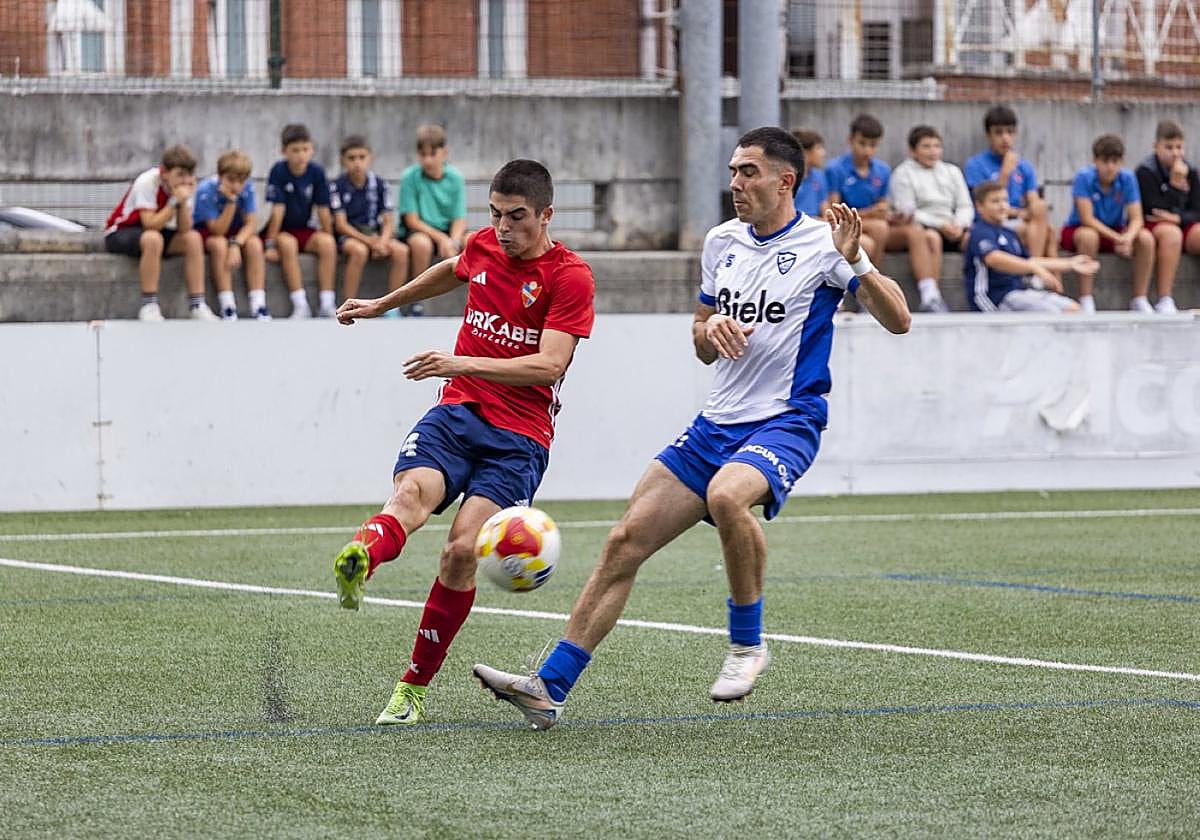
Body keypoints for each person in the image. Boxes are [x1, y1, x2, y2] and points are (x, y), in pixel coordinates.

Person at [473, 127, 911, 731]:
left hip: (787, 418)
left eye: (749, 172)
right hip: (715, 425)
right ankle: (550, 688)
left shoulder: (822, 245)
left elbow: (900, 320)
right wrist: (712, 333)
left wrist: (857, 258)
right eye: (733, 171)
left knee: (728, 495)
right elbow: (700, 335)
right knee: (625, 541)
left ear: (786, 181)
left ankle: (747, 644)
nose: (735, 183)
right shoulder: (722, 242)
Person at [330, 159, 596, 727]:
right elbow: (453, 268)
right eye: (496, 215)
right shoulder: (484, 245)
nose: (503, 228)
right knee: (408, 499)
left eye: (517, 217)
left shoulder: (570, 276)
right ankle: (361, 560)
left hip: (519, 437)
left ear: (546, 215)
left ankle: (412, 688)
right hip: (455, 413)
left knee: (459, 551)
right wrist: (382, 304)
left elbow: (550, 364)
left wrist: (458, 360)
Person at [103, 144, 215, 322]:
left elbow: (185, 229)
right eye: (180, 175)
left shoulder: (187, 188)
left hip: (159, 232)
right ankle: (149, 304)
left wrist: (183, 204)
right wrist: (174, 202)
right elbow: (150, 224)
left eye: (189, 175)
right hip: (123, 231)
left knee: (193, 239)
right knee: (153, 239)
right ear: (164, 172)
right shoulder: (147, 182)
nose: (185, 181)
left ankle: (197, 304)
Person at [966, 181, 1096, 313]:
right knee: (1051, 313)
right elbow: (993, 259)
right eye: (995, 201)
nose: (1002, 205)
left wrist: (1070, 263)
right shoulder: (980, 231)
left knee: (1073, 310)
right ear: (979, 206)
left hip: (1018, 292)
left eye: (1005, 200)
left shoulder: (1009, 233)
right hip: (995, 297)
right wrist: (1034, 268)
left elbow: (1030, 261)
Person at [1060, 134, 1155, 313]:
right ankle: (1086, 298)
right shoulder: (1084, 177)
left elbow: (1137, 218)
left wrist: (1128, 237)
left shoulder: (1127, 178)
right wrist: (1118, 238)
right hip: (1080, 229)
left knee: (1146, 238)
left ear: (1121, 162)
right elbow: (1087, 218)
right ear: (1095, 161)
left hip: (1114, 230)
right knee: (1089, 236)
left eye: (1115, 161)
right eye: (1105, 161)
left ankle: (1139, 298)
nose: (1110, 167)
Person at [887, 125, 973, 313]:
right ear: (913, 150)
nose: (933, 151)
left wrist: (959, 224)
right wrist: (939, 225)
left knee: (973, 240)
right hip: (926, 228)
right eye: (926, 146)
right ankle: (931, 297)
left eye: (936, 146)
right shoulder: (903, 173)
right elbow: (906, 208)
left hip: (954, 227)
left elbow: (965, 205)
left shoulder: (952, 171)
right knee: (931, 238)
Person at [262, 123, 338, 318]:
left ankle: (327, 303)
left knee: (327, 243)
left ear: (311, 150)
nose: (301, 155)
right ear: (284, 151)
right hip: (283, 230)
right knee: (287, 245)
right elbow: (278, 211)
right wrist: (270, 244)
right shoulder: (278, 171)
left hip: (304, 229)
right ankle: (300, 303)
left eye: (305, 149)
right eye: (295, 150)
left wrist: (330, 235)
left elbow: (322, 209)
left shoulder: (316, 172)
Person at [964, 105, 1057, 262]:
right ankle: (1034, 272)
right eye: (999, 133)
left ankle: (1045, 279)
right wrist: (1005, 173)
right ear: (988, 135)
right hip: (992, 221)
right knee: (1044, 233)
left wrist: (1026, 213)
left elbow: (1034, 204)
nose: (1005, 138)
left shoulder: (1024, 165)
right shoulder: (975, 164)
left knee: (1048, 227)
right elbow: (985, 205)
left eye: (1010, 132)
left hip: (1020, 219)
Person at [329, 135, 410, 304]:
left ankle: (393, 306)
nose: (357, 163)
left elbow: (388, 220)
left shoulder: (380, 184)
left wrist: (383, 241)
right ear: (343, 160)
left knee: (401, 251)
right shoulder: (337, 186)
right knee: (359, 251)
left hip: (375, 233)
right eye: (351, 158)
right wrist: (369, 242)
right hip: (350, 236)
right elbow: (341, 225)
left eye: (362, 157)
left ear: (370, 158)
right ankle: (349, 304)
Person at [192, 149, 271, 321]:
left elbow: (251, 223)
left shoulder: (247, 187)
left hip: (234, 232)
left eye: (241, 181)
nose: (236, 186)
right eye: (231, 180)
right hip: (209, 230)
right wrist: (231, 202)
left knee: (254, 244)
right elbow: (217, 230)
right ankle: (227, 304)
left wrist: (235, 244)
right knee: (219, 245)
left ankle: (258, 303)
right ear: (220, 176)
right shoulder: (206, 190)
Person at [397, 124, 468, 314]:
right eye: (422, 154)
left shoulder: (456, 178)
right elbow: (412, 220)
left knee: (472, 241)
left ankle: (477, 301)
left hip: (447, 232)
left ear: (444, 152)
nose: (427, 160)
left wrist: (452, 240)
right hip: (420, 231)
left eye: (432, 154)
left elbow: (459, 218)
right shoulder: (409, 177)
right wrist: (442, 239)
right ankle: (417, 301)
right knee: (422, 244)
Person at [1134, 119, 1200, 314]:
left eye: (1179, 147)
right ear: (1156, 147)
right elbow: (1154, 209)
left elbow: (1197, 210)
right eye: (1169, 147)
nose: (1175, 153)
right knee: (1171, 234)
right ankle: (1165, 297)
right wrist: (1174, 185)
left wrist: (1178, 218)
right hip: (1154, 225)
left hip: (1180, 221)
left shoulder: (1191, 171)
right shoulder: (1146, 171)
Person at [825, 114, 893, 264]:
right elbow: (834, 213)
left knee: (912, 231)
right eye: (862, 143)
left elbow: (882, 206)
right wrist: (870, 213)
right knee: (878, 231)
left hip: (870, 225)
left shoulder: (883, 170)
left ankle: (871, 278)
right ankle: (871, 278)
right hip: (844, 226)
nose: (867, 151)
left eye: (873, 145)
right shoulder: (835, 169)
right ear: (850, 140)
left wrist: (886, 212)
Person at [790, 128, 830, 219]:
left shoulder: (819, 176)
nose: (823, 153)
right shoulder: (789, 180)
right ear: (805, 152)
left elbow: (825, 210)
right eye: (818, 148)